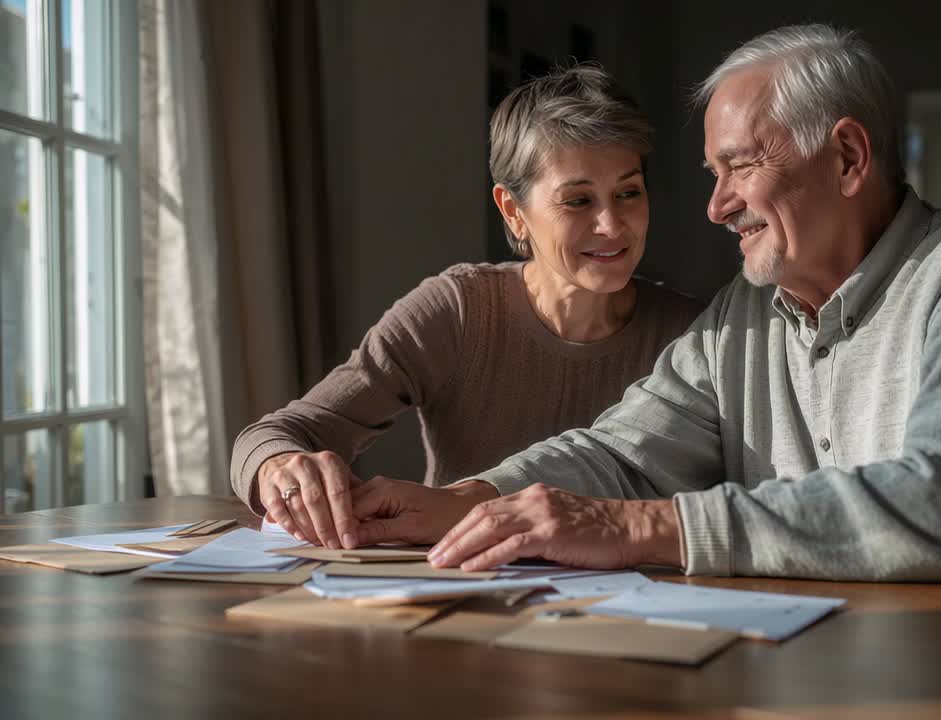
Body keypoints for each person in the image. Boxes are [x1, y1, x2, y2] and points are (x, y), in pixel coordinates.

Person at [349, 25, 941, 599]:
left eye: (738, 167)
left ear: (847, 158)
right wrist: (473, 499)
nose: (715, 206)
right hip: (841, 669)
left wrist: (635, 528)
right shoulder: (745, 314)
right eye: (710, 173)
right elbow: (624, 455)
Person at [230, 64, 704, 551]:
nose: (612, 224)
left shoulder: (696, 335)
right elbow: (281, 432)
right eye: (578, 200)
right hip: (461, 591)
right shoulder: (458, 311)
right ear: (513, 212)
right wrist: (279, 466)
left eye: (628, 192)